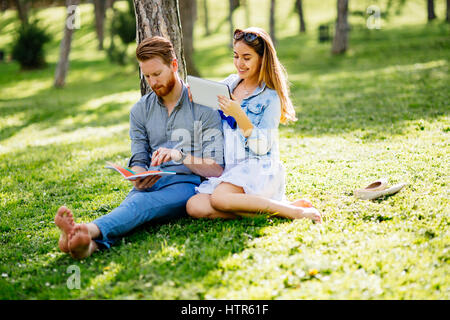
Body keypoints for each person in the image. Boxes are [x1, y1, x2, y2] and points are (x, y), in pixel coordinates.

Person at [55, 36, 225, 259]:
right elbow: (138, 157)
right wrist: (138, 176)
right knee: (136, 205)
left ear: (174, 65)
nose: (153, 83)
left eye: (157, 74)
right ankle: (86, 248)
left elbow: (216, 168)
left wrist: (180, 156)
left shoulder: (203, 106)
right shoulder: (140, 110)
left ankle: (87, 229)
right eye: (147, 76)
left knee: (139, 205)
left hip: (188, 184)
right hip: (151, 183)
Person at [186, 27, 322, 223]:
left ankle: (295, 213)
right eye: (236, 56)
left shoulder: (270, 97)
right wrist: (196, 93)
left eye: (247, 58)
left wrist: (239, 114)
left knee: (219, 199)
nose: (239, 63)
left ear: (262, 59)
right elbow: (210, 96)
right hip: (232, 169)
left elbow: (261, 147)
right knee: (195, 205)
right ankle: (282, 208)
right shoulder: (231, 83)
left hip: (258, 168)